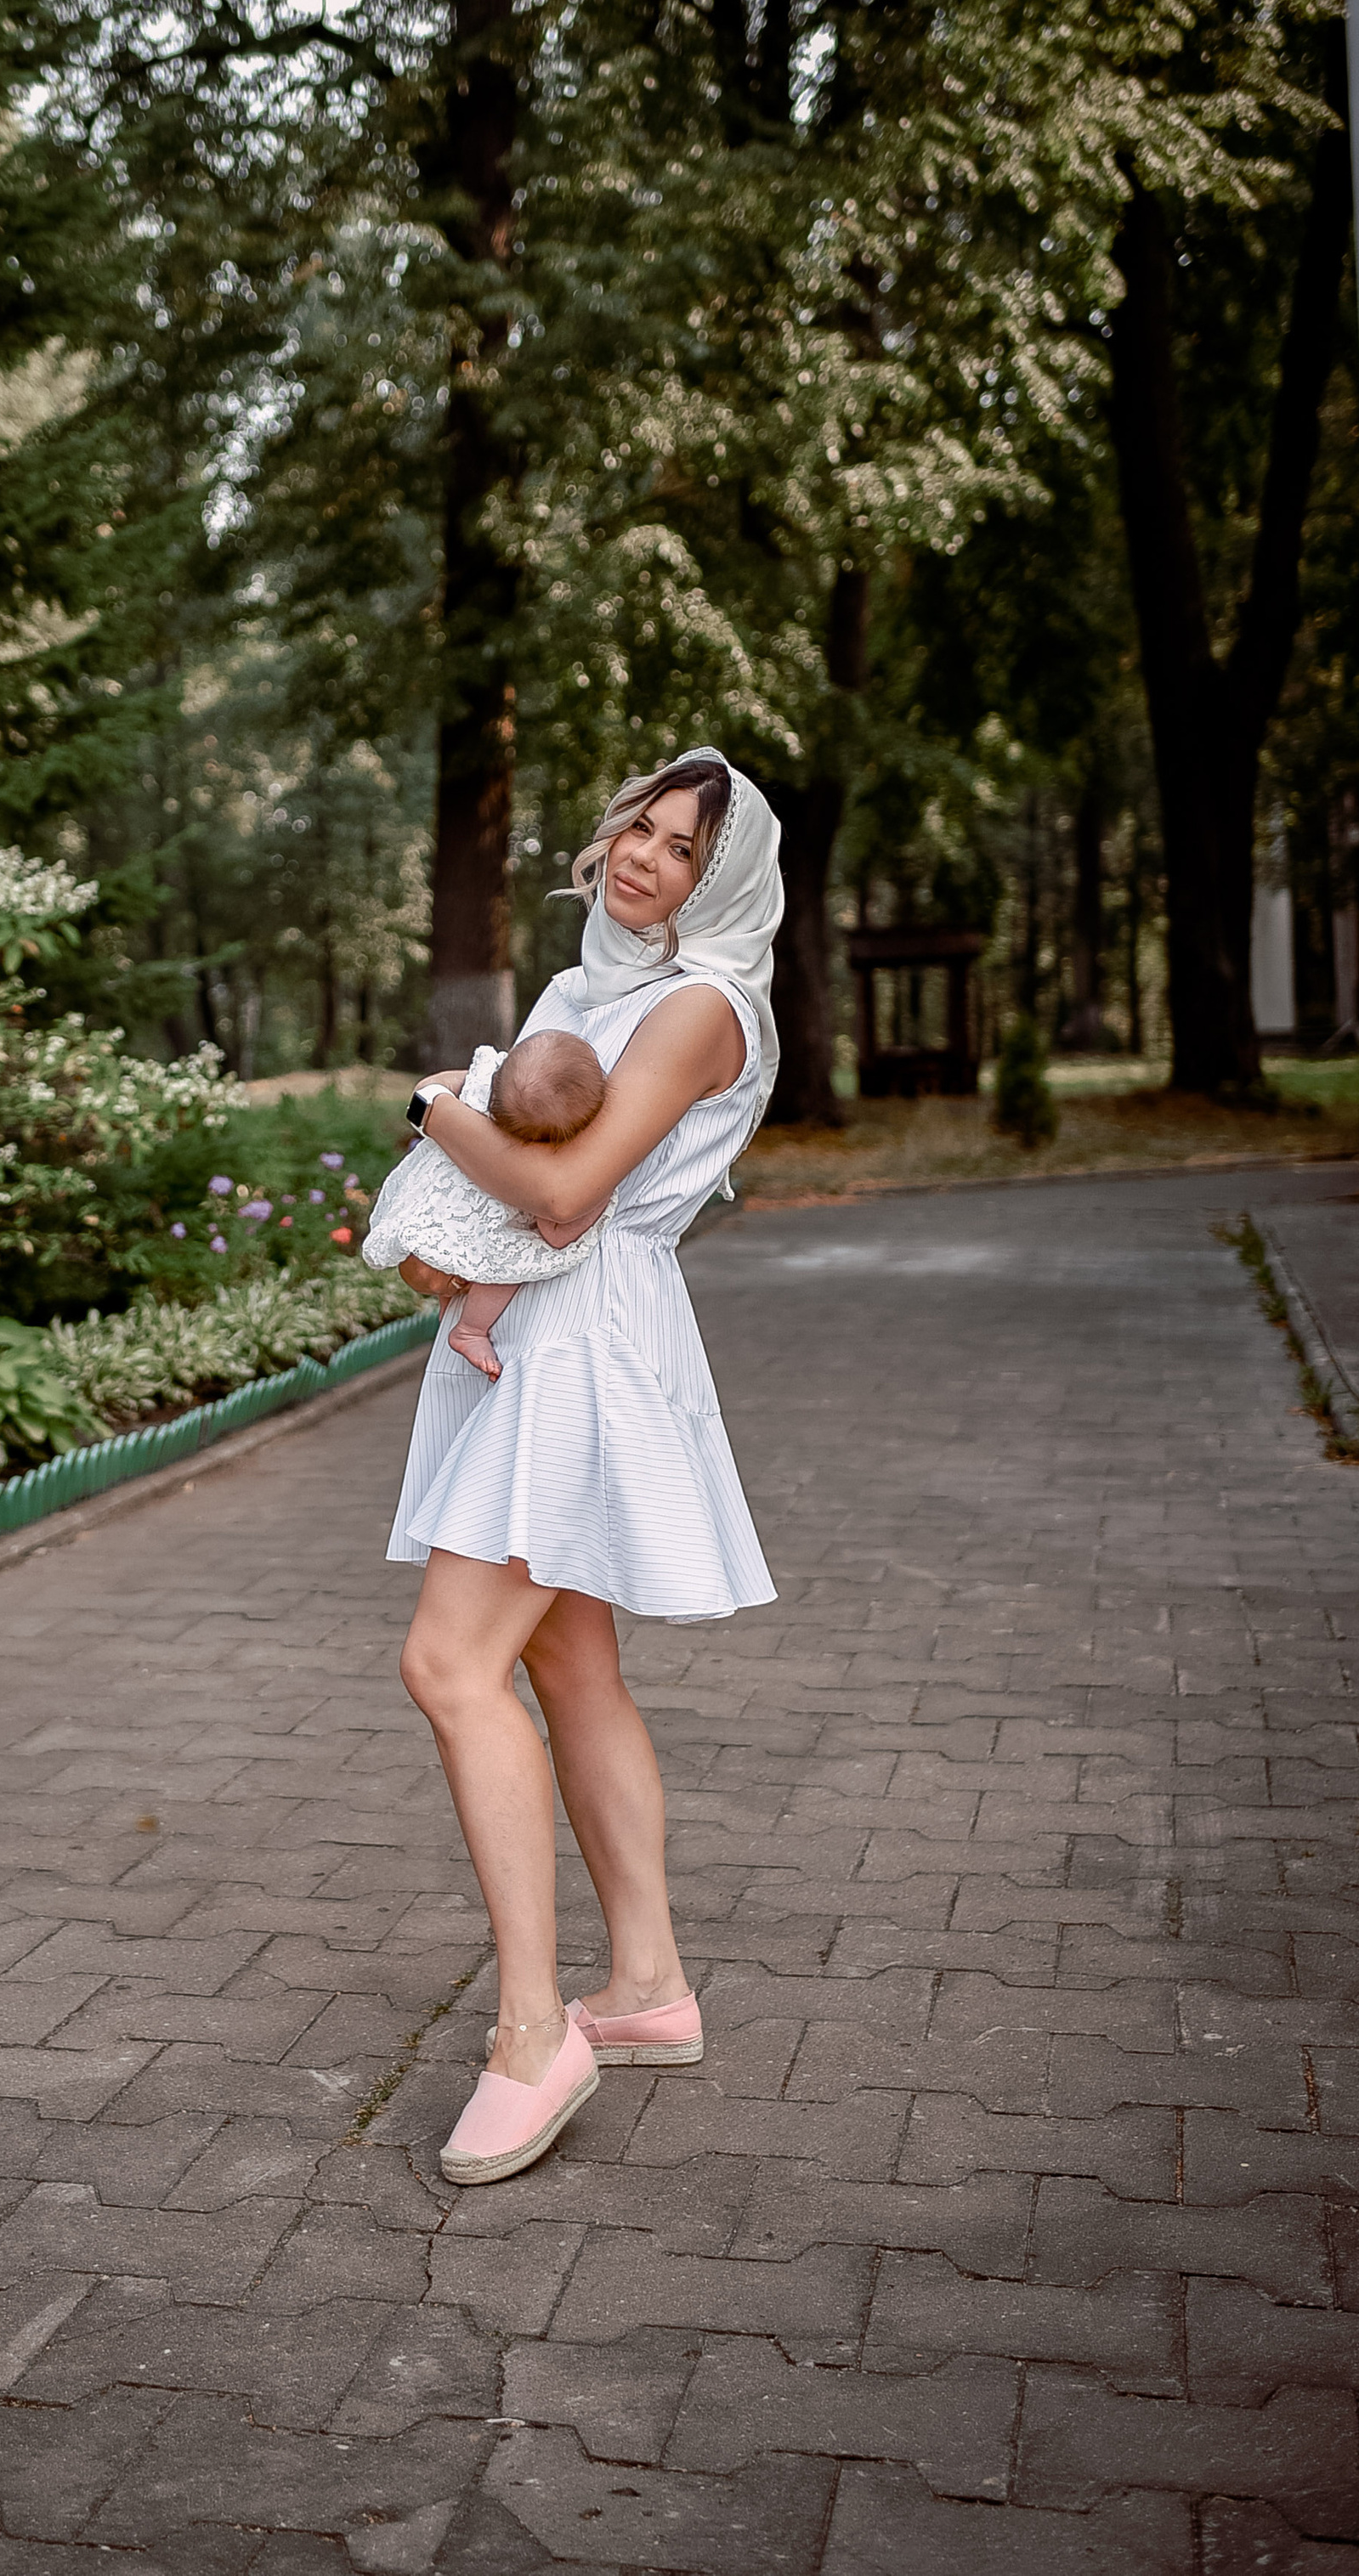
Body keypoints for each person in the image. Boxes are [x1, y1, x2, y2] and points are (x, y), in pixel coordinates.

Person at [386, 749, 782, 2185]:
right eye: (641, 825)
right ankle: (648, 1985)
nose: (645, 858)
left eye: (684, 850)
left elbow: (561, 1193)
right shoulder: (591, 985)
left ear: (720, 882)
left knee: (448, 1666)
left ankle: (532, 2030)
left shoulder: (697, 1007)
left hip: (586, 1341)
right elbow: (529, 1187)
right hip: (542, 1326)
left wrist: (431, 1112)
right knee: (569, 1667)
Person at [359, 1028, 614, 1378]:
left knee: (473, 1244)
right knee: (514, 1259)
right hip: (453, 1248)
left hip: (416, 1217)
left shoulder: (479, 1082)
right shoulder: (541, 1164)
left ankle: (447, 1301)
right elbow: (555, 1235)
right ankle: (470, 1330)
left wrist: (437, 1099)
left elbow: (428, 1093)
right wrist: (602, 1192)